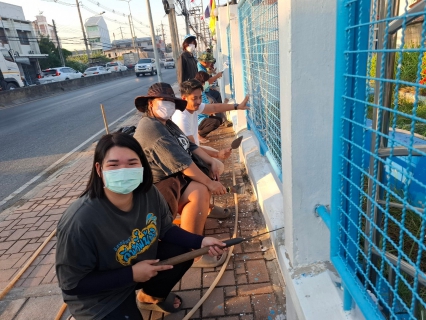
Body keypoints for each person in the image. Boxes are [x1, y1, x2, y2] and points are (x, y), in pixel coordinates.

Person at [55, 133, 226, 319]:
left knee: (183, 250)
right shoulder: (79, 221)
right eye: (113, 165)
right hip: (101, 297)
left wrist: (201, 241)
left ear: (142, 166)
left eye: (131, 163)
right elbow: (73, 286)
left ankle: (150, 297)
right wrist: (130, 274)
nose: (124, 170)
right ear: (99, 169)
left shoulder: (149, 193)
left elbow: (166, 229)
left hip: (138, 269)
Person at [133, 82, 230, 267]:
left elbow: (191, 146)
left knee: (209, 172)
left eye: (171, 101)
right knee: (200, 190)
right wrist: (210, 183)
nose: (168, 105)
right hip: (158, 186)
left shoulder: (167, 123)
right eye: (163, 101)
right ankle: (194, 254)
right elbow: (183, 163)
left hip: (174, 176)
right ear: (150, 103)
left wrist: (211, 161)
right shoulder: (151, 128)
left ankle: (204, 209)